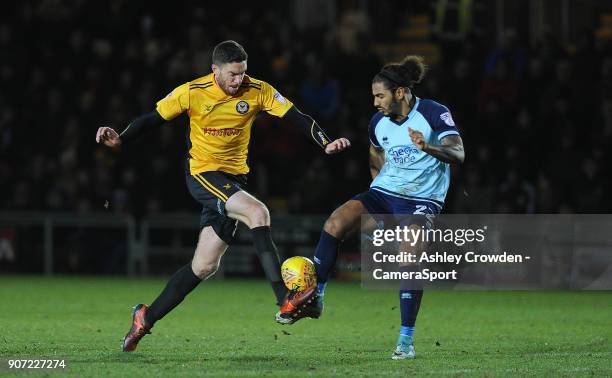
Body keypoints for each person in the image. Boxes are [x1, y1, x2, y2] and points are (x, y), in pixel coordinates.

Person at [95, 40, 351, 352]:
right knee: (258, 213)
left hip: (234, 179)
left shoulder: (257, 90)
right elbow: (152, 119)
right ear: (214, 70)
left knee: (204, 266)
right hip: (203, 174)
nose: (238, 80)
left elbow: (298, 116)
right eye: (232, 74)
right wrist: (120, 138)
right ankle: (284, 298)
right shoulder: (192, 91)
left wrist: (324, 142)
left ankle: (145, 318)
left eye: (242, 73)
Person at [276, 55, 465, 360]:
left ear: (400, 92)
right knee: (335, 222)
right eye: (373, 96)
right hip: (384, 194)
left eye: (380, 95)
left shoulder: (432, 113)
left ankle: (406, 340)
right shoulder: (378, 123)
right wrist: (378, 204)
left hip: (422, 200)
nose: (375, 102)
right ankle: (317, 297)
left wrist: (427, 147)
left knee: (409, 254)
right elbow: (375, 160)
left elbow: (458, 153)